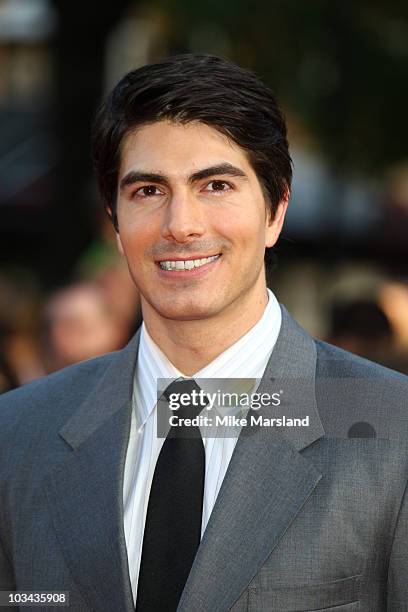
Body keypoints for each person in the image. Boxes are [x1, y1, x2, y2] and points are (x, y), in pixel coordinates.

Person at [0, 54, 407, 612]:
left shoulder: (393, 433)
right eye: (148, 191)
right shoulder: (17, 436)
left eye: (215, 185)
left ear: (276, 210)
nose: (181, 224)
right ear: (114, 223)